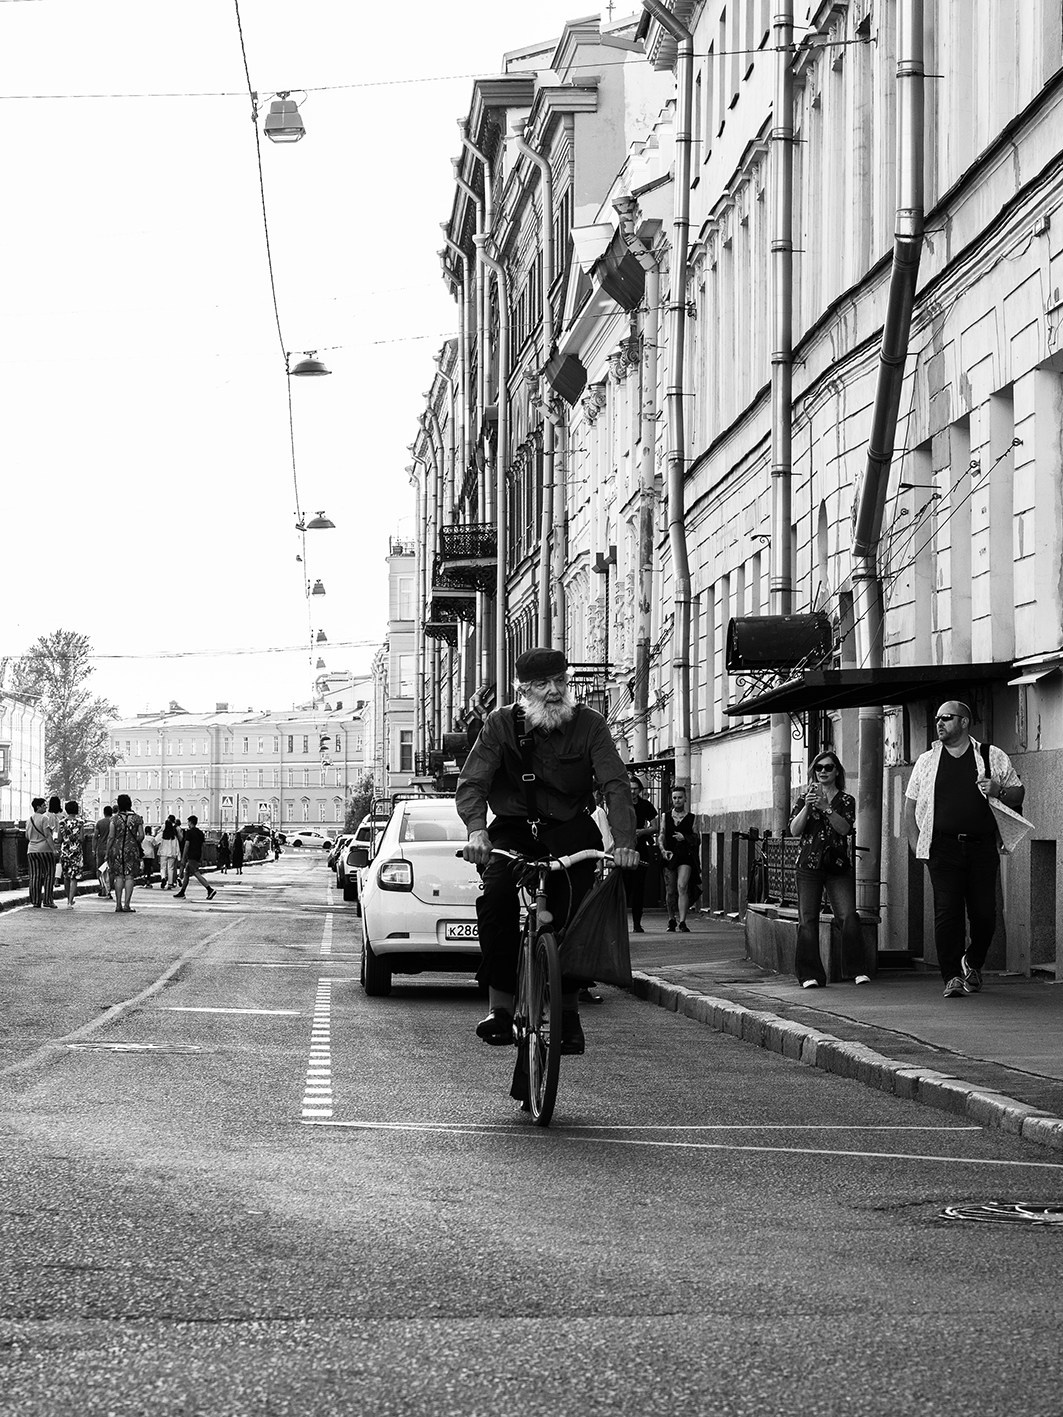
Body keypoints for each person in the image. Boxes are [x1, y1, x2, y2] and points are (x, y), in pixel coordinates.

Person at [457, 647, 639, 1056]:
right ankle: (500, 1008)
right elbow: (473, 784)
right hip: (515, 830)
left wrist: (625, 843)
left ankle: (569, 1013)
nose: (554, 691)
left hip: (571, 830)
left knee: (576, 911)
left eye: (560, 681)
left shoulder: (590, 725)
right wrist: (477, 833)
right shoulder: (500, 724)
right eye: (542, 684)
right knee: (497, 897)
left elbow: (615, 784)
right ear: (524, 689)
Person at [904, 700, 1024, 999]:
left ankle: (972, 961)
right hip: (941, 847)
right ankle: (952, 977)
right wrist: (917, 844)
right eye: (937, 719)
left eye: (947, 718)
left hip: (982, 847)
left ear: (965, 722)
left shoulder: (989, 755)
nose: (939, 723)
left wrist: (998, 790)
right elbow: (910, 806)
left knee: (985, 915)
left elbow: (1018, 791)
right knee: (948, 913)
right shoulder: (927, 761)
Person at [789, 751, 871, 989]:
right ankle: (809, 975)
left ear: (837, 771)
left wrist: (826, 808)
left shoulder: (846, 800)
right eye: (819, 768)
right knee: (808, 919)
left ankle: (857, 970)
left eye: (828, 767)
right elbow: (794, 830)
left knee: (847, 915)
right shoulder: (803, 798)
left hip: (836, 866)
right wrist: (807, 807)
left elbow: (844, 829)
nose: (823, 771)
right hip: (808, 866)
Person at [658, 785, 698, 932]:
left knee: (682, 886)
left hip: (685, 856)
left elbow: (696, 838)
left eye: (680, 797)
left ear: (685, 799)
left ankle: (682, 921)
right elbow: (661, 834)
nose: (677, 800)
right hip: (670, 855)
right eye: (675, 798)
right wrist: (662, 850)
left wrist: (685, 837)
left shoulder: (692, 818)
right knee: (670, 891)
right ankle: (671, 919)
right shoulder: (665, 816)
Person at [626, 777, 659, 933]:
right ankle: (621, 922)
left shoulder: (646, 805)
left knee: (639, 887)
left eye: (635, 788)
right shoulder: (622, 804)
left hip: (640, 848)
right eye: (630, 788)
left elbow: (656, 826)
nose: (632, 791)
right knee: (625, 887)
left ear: (640, 790)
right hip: (624, 847)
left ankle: (637, 923)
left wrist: (643, 831)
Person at [106, 793, 145, 913]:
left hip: (117, 849)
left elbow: (111, 837)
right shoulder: (137, 818)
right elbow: (142, 835)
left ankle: (118, 905)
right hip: (131, 849)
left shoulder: (114, 819)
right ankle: (127, 904)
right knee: (129, 877)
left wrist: (108, 851)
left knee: (118, 876)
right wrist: (133, 842)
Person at [173, 814, 217, 901]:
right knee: (187, 873)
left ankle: (209, 889)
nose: (188, 824)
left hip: (191, 855)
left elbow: (187, 845)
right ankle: (182, 892)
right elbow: (203, 846)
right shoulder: (200, 833)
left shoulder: (189, 832)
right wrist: (203, 857)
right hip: (197, 854)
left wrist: (183, 857)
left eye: (188, 822)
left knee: (196, 872)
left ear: (190, 822)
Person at [25, 797, 56, 909]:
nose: (45, 807)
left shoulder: (29, 820)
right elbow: (48, 835)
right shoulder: (44, 818)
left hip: (32, 850)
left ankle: (35, 901)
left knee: (34, 876)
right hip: (45, 850)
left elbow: (27, 836)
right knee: (49, 874)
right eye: (44, 805)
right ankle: (48, 900)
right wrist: (54, 849)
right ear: (38, 807)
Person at [55, 800, 87, 908]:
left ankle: (68, 899)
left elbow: (59, 839)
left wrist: (66, 840)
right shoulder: (80, 822)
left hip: (65, 851)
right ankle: (70, 901)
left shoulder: (62, 823)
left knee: (66, 877)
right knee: (74, 877)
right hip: (76, 852)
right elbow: (82, 838)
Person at [157, 816, 182, 890]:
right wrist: (178, 855)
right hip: (172, 853)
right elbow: (177, 846)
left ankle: (163, 878)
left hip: (163, 853)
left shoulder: (162, 835)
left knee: (163, 867)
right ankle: (170, 883)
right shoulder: (174, 837)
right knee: (170, 868)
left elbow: (155, 841)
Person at [94, 804, 113, 899]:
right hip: (111, 849)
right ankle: (108, 889)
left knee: (100, 869)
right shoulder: (113, 822)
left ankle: (102, 887)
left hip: (100, 848)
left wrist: (94, 849)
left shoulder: (99, 823)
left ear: (104, 813)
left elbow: (95, 836)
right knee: (110, 870)